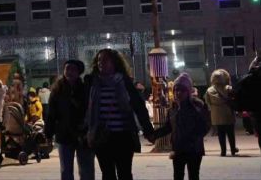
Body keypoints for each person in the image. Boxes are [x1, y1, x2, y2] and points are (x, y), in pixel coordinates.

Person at [84, 48, 153, 180]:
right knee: (107, 174)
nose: (100, 63)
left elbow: (139, 107)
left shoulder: (125, 82)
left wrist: (148, 129)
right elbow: (84, 108)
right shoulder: (92, 82)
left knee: (125, 173)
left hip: (123, 136)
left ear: (114, 62)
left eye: (105, 60)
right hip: (101, 137)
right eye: (99, 60)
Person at [150, 73, 211, 180]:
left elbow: (205, 125)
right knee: (178, 176)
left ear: (188, 91)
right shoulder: (173, 107)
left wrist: (194, 138)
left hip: (194, 149)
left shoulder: (197, 106)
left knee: (193, 175)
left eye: (182, 90)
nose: (178, 93)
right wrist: (154, 135)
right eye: (176, 90)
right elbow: (168, 127)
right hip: (178, 149)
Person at [46, 59, 94, 180]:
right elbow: (51, 114)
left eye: (73, 69)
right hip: (64, 135)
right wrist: (48, 135)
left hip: (83, 135)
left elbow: (90, 110)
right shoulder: (57, 91)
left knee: (86, 170)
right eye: (67, 68)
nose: (69, 72)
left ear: (79, 72)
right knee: (66, 171)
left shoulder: (85, 89)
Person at [204, 69, 238, 156]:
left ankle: (223, 151)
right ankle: (233, 150)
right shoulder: (228, 88)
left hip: (217, 116)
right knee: (231, 134)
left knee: (221, 134)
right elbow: (234, 99)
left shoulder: (209, 90)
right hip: (228, 115)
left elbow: (208, 102)